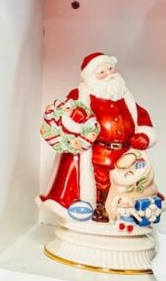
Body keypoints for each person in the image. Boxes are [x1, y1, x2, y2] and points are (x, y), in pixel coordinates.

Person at [41, 52, 155, 222]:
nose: (109, 74)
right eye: (102, 72)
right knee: (95, 186)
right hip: (95, 154)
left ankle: (120, 215)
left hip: (125, 156)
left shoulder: (125, 97)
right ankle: (96, 210)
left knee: (124, 187)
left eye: (111, 69)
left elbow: (142, 117)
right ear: (91, 77)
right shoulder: (80, 96)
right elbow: (65, 116)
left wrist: (144, 135)